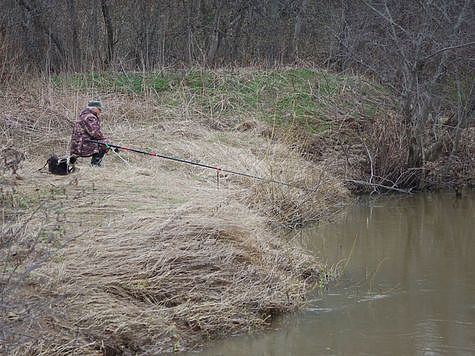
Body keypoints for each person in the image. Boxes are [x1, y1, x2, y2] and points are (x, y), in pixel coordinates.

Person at [70, 100, 109, 166]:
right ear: (94, 108)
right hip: (83, 144)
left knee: (103, 141)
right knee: (104, 144)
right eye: (99, 109)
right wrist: (105, 140)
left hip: (77, 143)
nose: (100, 111)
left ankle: (71, 161)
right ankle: (95, 164)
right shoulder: (90, 117)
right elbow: (95, 133)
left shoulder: (83, 115)